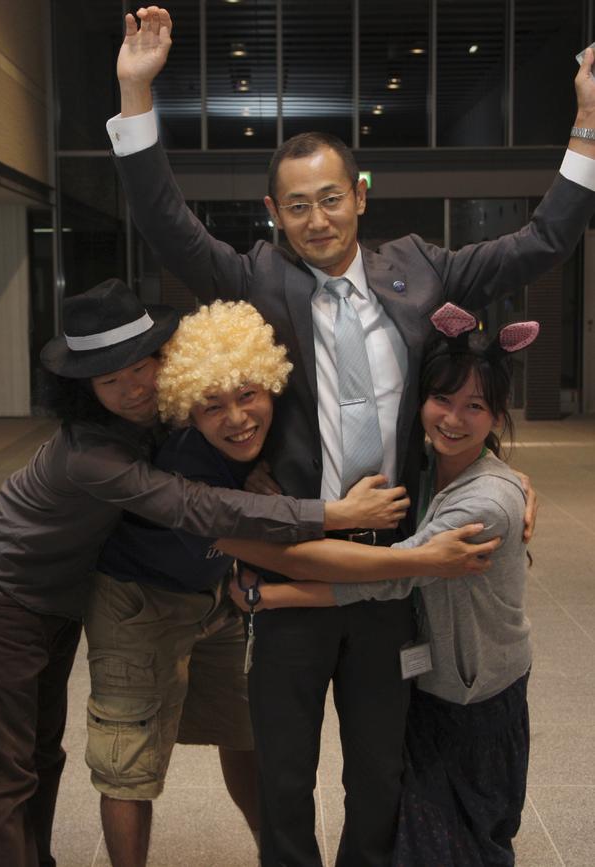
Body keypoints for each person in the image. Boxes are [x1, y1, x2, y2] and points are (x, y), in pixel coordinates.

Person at [107, 9, 595, 864]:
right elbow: (164, 222)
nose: (318, 218)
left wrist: (587, 122)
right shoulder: (258, 277)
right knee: (284, 780)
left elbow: (545, 239)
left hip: (397, 577)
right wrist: (136, 92)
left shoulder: (422, 267)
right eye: (297, 206)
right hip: (296, 566)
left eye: (332, 198)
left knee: (379, 775)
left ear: (359, 195)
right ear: (274, 213)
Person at [0, 280, 416, 867]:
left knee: (42, 756)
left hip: (66, 597)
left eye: (141, 368)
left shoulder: (160, 417)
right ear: (82, 389)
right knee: (3, 772)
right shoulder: (91, 454)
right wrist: (332, 515)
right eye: (109, 380)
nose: (132, 390)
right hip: (3, 595)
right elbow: (195, 506)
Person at [85, 299, 496, 867]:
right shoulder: (187, 467)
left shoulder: (282, 430)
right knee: (193, 763)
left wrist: (505, 474)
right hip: (153, 598)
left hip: (243, 601)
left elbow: (446, 435)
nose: (236, 418)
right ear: (187, 410)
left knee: (323, 757)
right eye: (212, 406)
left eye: (248, 395)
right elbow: (295, 557)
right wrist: (413, 557)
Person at [224, 302, 538, 866]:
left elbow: (394, 579)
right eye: (442, 400)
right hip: (389, 646)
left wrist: (265, 589)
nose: (453, 418)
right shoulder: (424, 456)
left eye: (475, 407)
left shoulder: (480, 495)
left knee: (401, 792)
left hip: (446, 660)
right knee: (289, 775)